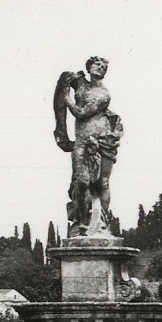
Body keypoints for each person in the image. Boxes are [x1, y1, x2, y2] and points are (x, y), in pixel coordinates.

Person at [52, 56, 120, 236]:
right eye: (97, 64)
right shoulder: (80, 83)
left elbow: (81, 113)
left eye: (104, 66)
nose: (100, 67)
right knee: (82, 182)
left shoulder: (104, 95)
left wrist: (67, 99)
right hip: (81, 140)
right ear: (89, 67)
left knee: (103, 183)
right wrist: (61, 131)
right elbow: (61, 87)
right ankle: (83, 223)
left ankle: (101, 223)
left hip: (104, 141)